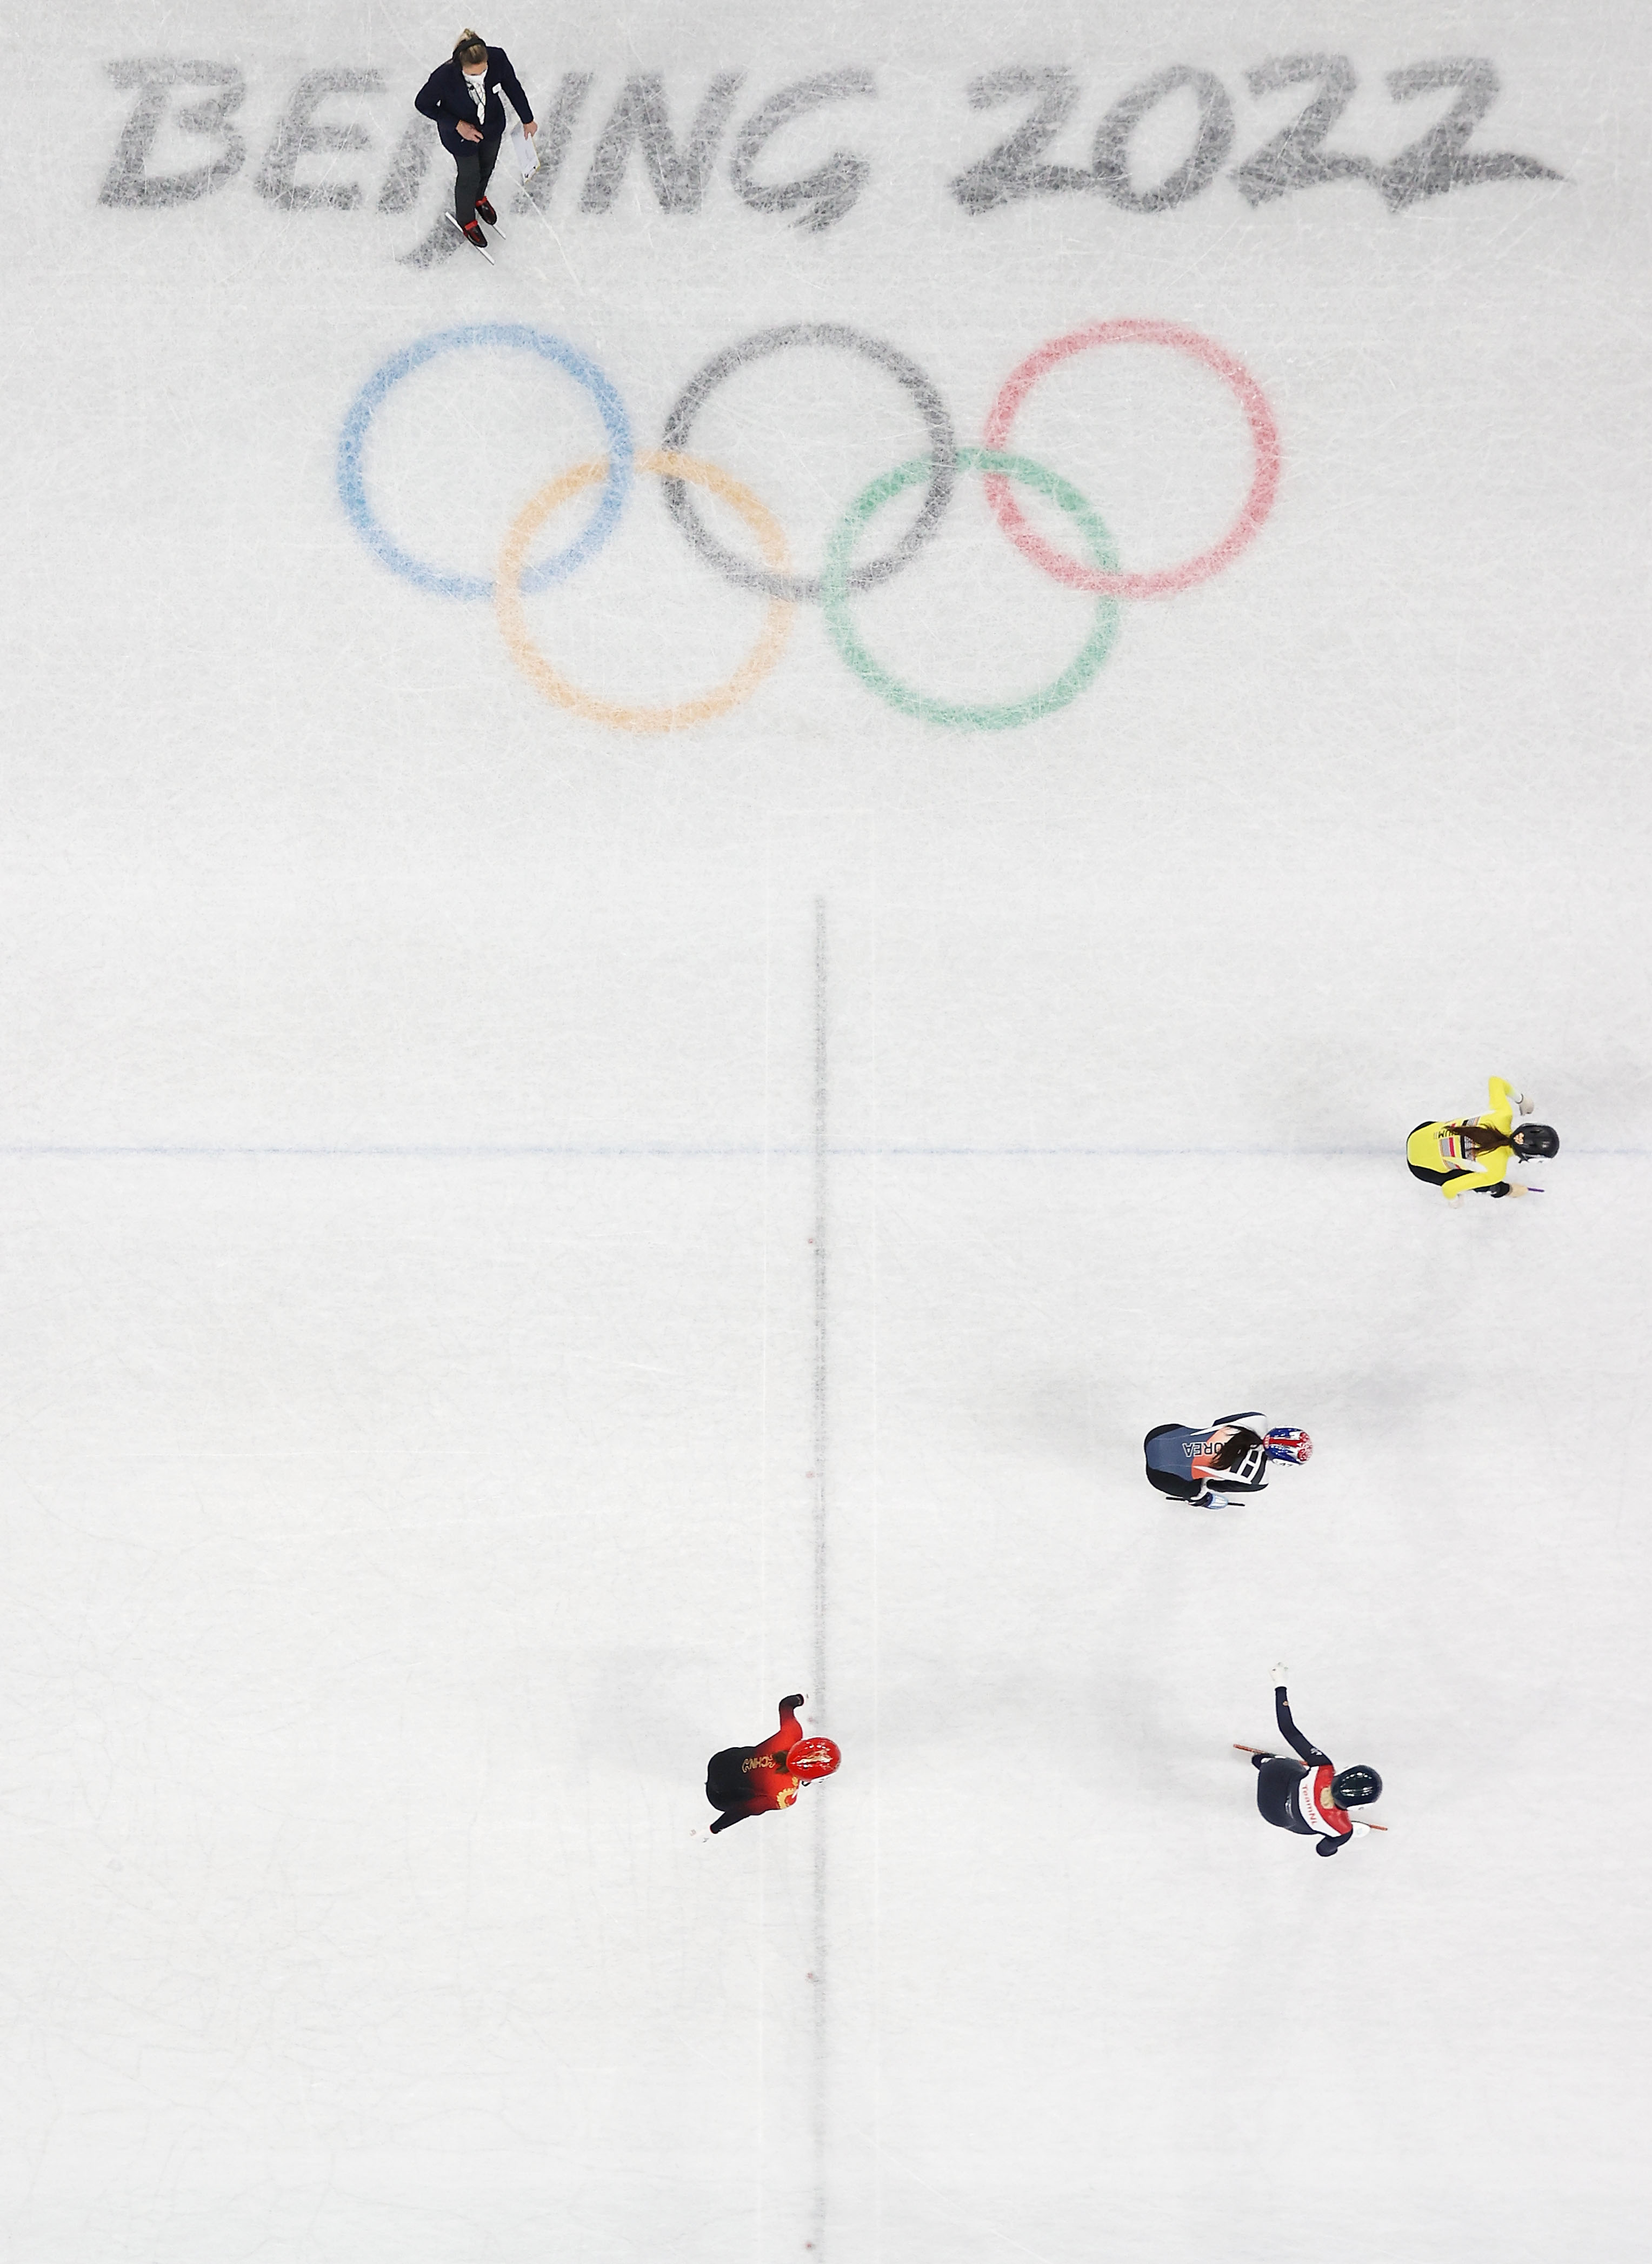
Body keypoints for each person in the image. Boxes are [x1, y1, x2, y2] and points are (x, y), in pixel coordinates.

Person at [414, 29, 537, 251]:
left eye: (484, 70)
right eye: (473, 75)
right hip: (460, 136)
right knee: (470, 175)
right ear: (461, 66)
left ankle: (479, 198)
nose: (481, 77)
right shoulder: (444, 77)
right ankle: (466, 219)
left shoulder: (497, 58)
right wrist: (458, 124)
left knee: (487, 166)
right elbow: (423, 104)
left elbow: (512, 87)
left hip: (491, 126)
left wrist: (528, 119)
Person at [1248, 1680, 1382, 1857]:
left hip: (1273, 1775)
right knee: (1305, 1827)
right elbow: (1323, 1851)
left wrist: (1280, 1686)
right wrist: (1339, 1839)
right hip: (1274, 1815)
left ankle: (1262, 1761)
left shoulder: (1323, 1768)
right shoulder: (1342, 1830)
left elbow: (1288, 1730)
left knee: (1287, 1765)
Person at [705, 1694, 841, 1834]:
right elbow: (744, 1810)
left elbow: (785, 1705)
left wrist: (799, 1699)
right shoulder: (783, 1795)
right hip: (720, 1796)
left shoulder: (792, 1733)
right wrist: (713, 1829)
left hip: (722, 1760)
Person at [1406, 1077, 1558, 1199]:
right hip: (1421, 1168)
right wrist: (1455, 1199)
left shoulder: (1503, 1114)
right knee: (1486, 1182)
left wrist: (1521, 1099)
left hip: (1421, 1132)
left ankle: (1504, 1190)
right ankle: (1505, 1191)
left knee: (1481, 1170)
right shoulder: (1496, 1171)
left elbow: (1495, 1081)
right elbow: (1448, 1188)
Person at [1142, 1414, 1311, 1507]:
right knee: (1197, 1493)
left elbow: (1219, 1423)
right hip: (1162, 1476)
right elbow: (1212, 1485)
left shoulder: (1255, 1419)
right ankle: (1196, 1502)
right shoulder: (1257, 1479)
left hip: (1160, 1435)